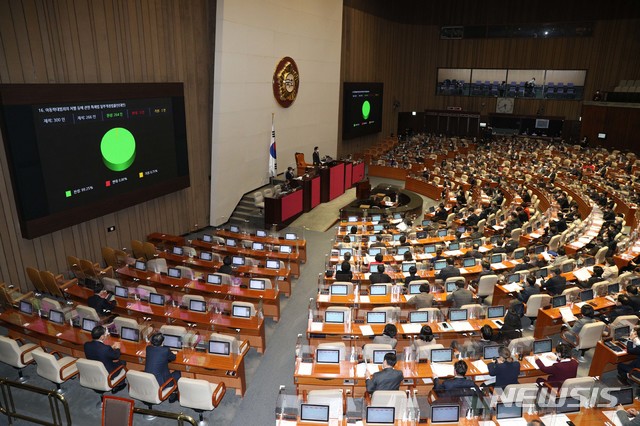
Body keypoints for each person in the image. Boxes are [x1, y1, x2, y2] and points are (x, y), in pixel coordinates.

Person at [84, 325, 127, 393]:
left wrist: (110, 348)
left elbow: (99, 351)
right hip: (108, 373)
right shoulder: (105, 348)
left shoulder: (86, 344)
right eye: (105, 334)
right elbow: (116, 356)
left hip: (94, 371)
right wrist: (118, 347)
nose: (106, 335)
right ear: (102, 337)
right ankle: (118, 384)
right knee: (123, 362)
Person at [145, 333, 181, 403]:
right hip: (160, 384)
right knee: (178, 373)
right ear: (163, 342)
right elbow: (173, 358)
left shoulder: (148, 348)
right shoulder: (165, 350)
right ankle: (173, 394)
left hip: (148, 382)